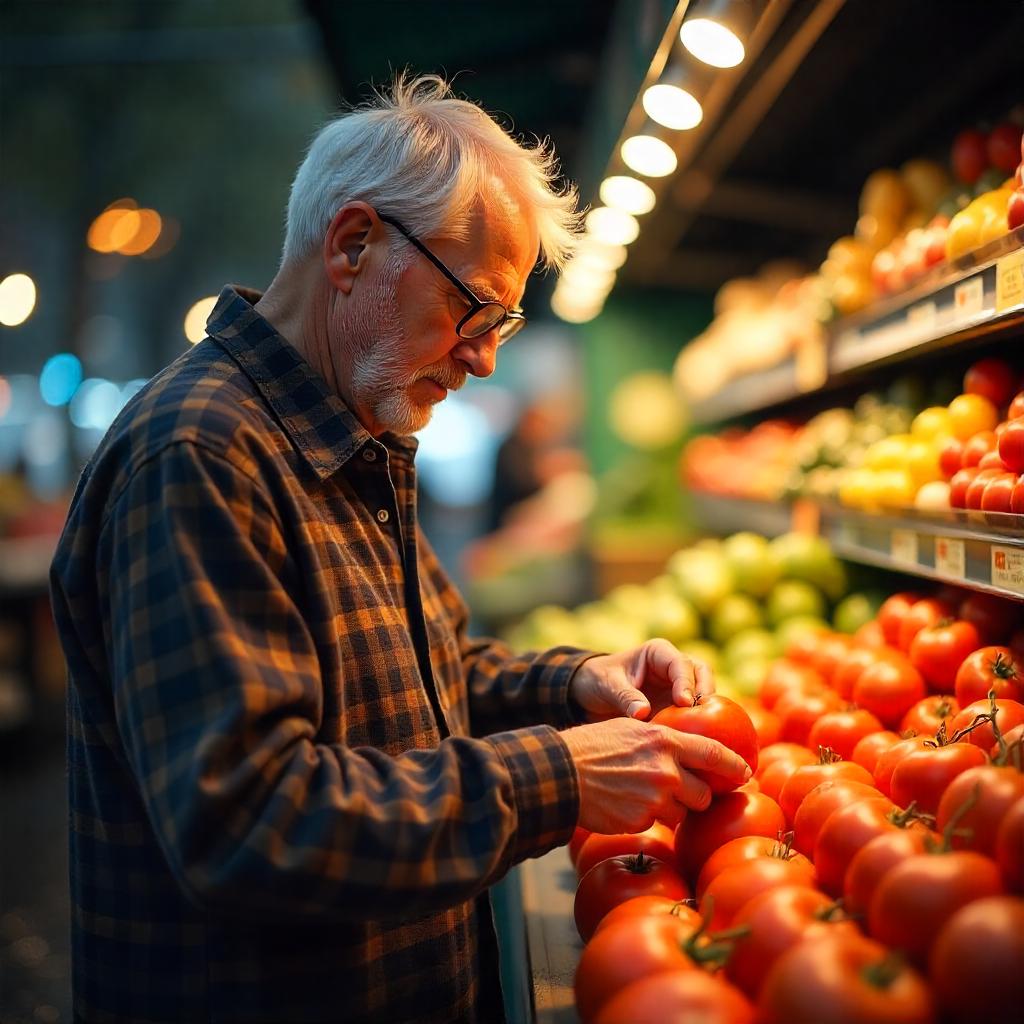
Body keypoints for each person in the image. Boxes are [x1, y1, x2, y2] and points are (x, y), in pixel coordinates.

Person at [49, 75, 746, 1024]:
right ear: (353, 245)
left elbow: (426, 678)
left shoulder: (356, 437)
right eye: (475, 308)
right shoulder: (202, 456)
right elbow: (252, 824)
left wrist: (575, 683)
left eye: (501, 322)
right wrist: (564, 774)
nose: (484, 355)